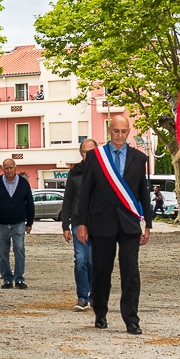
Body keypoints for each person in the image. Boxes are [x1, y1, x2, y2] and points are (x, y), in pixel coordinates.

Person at [75, 113, 152, 334]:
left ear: (129, 132)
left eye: (124, 131)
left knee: (130, 272)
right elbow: (86, 192)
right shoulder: (96, 157)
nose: (120, 135)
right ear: (110, 131)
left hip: (129, 224)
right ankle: (100, 312)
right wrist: (82, 223)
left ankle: (131, 319)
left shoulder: (139, 159)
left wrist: (148, 223)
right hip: (101, 222)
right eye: (116, 131)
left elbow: (142, 194)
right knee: (101, 270)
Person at [60, 139, 98, 311]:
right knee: (81, 260)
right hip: (77, 224)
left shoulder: (104, 172)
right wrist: (65, 226)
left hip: (98, 225)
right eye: (85, 152)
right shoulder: (74, 172)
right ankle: (82, 297)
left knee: (93, 262)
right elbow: (67, 199)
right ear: (81, 153)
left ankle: (94, 295)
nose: (89, 155)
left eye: (92, 151)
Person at [0, 158, 34, 289]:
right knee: (2, 252)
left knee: (19, 250)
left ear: (15, 168)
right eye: (6, 168)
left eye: (11, 168)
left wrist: (30, 222)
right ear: (2, 169)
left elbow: (30, 203)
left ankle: (19, 278)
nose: (9, 170)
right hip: (1, 223)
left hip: (19, 223)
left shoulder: (23, 183)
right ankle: (7, 279)